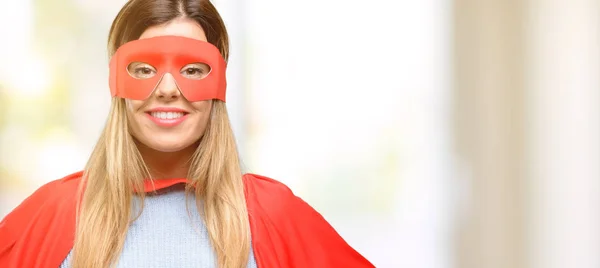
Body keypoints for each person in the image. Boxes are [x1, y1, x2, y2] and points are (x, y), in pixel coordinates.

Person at [0, 0, 374, 268]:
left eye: (193, 70)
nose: (167, 88)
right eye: (144, 69)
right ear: (116, 82)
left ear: (219, 85)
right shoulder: (52, 212)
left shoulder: (272, 214)